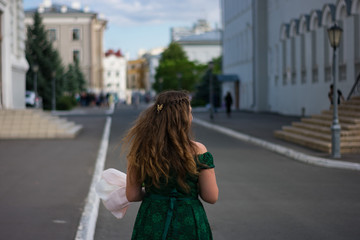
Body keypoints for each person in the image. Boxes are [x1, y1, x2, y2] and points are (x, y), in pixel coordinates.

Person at [123, 90, 218, 240]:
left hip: (152, 220)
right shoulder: (198, 150)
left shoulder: (142, 150)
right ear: (183, 119)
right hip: (189, 221)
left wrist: (152, 193)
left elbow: (132, 195)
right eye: (190, 113)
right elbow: (211, 196)